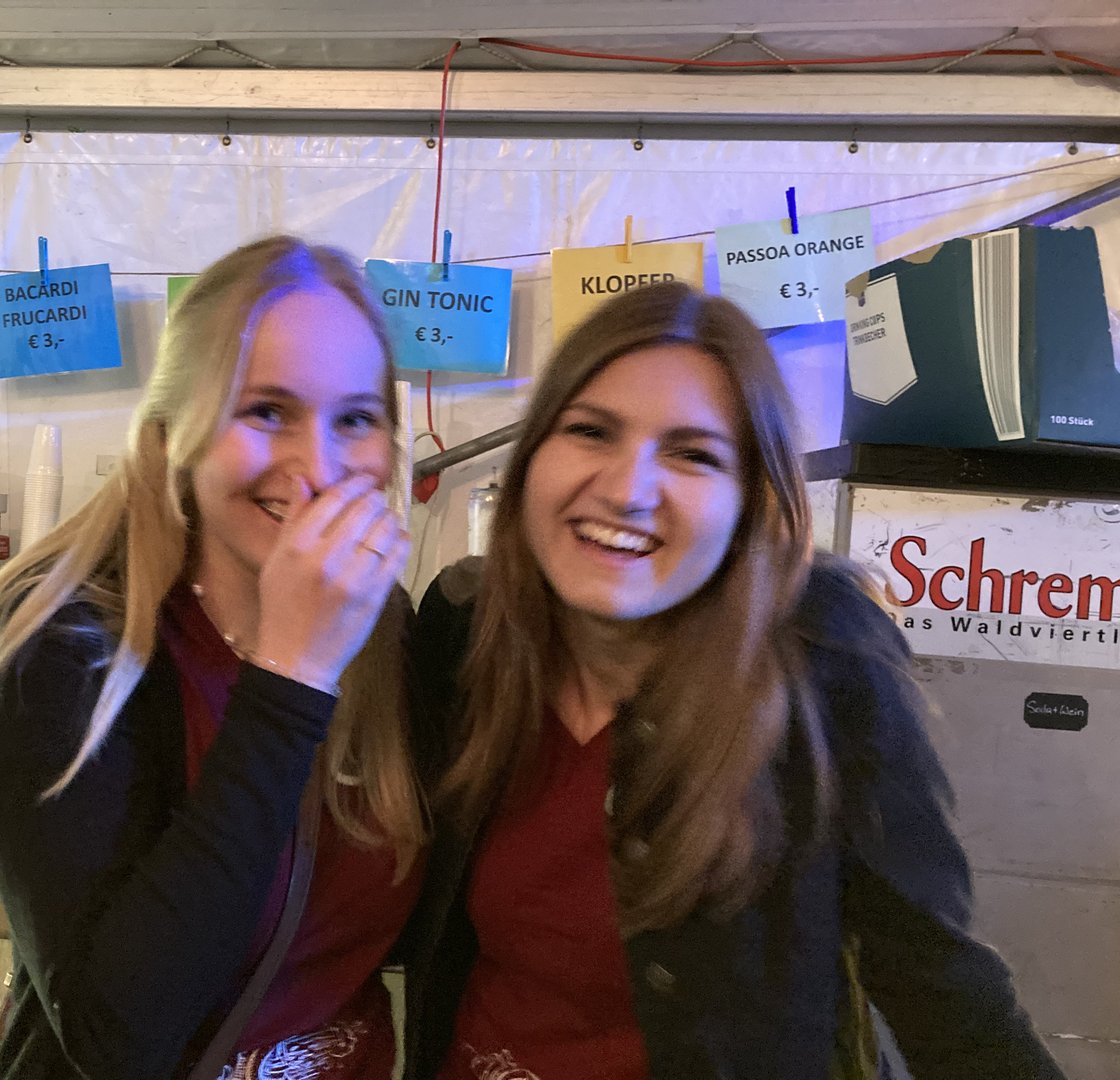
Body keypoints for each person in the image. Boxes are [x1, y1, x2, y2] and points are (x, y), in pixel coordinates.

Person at [403, 281, 1066, 1080]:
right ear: (532, 457)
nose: (626, 489)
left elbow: (938, 982)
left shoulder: (823, 654)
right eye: (590, 431)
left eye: (693, 454)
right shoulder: (463, 633)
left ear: (751, 501)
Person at [0, 236, 425, 1080]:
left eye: (354, 418)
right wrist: (292, 676)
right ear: (172, 437)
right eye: (265, 411)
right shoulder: (60, 646)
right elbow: (114, 1039)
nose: (319, 467)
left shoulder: (386, 633)